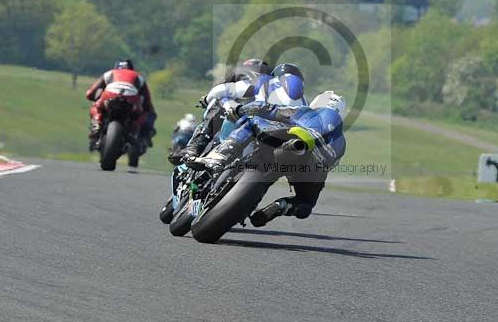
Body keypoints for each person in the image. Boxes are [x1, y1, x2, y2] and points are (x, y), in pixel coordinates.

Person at [192, 91, 346, 227]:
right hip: (310, 169)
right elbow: (328, 168)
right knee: (305, 205)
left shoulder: (309, 113)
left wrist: (240, 109)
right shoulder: (341, 143)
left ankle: (222, 154)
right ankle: (283, 205)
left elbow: (269, 109)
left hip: (291, 142)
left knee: (251, 121)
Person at [169, 61, 305, 164]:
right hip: (280, 140)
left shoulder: (263, 82)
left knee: (219, 100)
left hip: (251, 124)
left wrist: (206, 99)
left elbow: (221, 91)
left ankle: (196, 145)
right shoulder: (304, 101)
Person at [85, 59, 157, 152]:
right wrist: (144, 110)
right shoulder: (139, 77)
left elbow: (90, 93)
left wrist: (92, 97)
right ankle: (133, 131)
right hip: (131, 100)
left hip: (109, 95)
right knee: (141, 114)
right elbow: (147, 102)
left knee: (96, 106)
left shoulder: (109, 73)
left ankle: (97, 123)